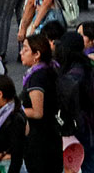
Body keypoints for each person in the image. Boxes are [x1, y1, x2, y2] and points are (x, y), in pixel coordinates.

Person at [19, 34, 62, 173]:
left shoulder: (37, 78)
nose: (21, 53)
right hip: (52, 135)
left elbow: (37, 112)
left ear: (36, 54)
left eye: (25, 49)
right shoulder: (51, 69)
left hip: (40, 139)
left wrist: (15, 110)